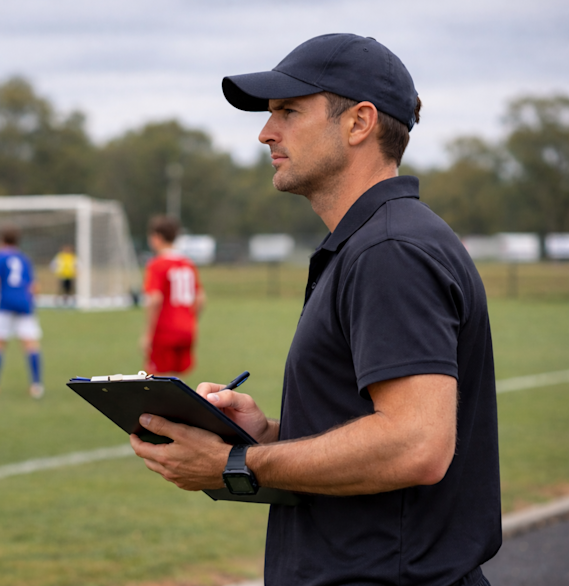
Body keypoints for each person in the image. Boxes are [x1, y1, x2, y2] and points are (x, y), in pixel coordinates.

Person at [130, 34, 501, 586]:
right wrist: (270, 434)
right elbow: (373, 432)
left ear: (359, 123)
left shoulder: (389, 251)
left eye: (288, 111)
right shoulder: (375, 242)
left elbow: (416, 445)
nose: (265, 132)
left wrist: (237, 465)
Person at [0, 226, 44, 399]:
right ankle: (36, 386)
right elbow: (34, 286)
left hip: (4, 305)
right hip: (25, 305)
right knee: (31, 345)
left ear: (0, 240)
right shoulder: (24, 259)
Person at [141, 216, 205, 376]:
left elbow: (155, 299)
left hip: (165, 330)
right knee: (179, 383)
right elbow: (201, 298)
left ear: (157, 237)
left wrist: (148, 333)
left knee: (159, 381)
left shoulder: (157, 264)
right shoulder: (188, 263)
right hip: (187, 329)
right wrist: (190, 319)